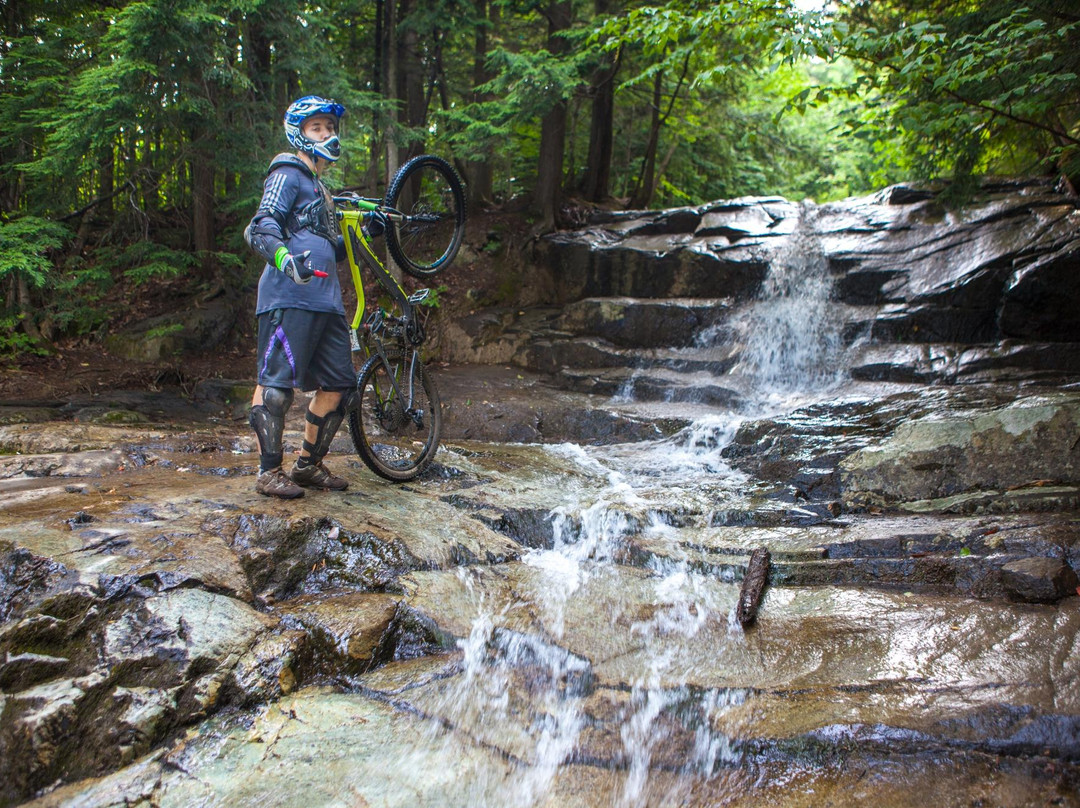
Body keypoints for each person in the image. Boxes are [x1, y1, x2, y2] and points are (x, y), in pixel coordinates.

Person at [243, 96, 356, 499]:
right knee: (275, 387)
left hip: (326, 302)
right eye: (317, 128)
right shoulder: (288, 173)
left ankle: (307, 466)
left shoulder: (321, 189)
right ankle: (269, 472)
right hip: (287, 297)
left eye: (329, 127)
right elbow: (262, 225)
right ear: (300, 133)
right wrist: (286, 260)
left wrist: (370, 231)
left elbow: (329, 249)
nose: (327, 134)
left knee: (340, 384)